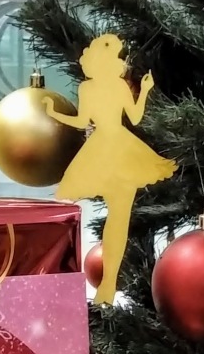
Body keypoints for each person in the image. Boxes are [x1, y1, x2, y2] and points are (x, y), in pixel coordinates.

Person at [48, 35, 176, 304]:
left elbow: (88, 121)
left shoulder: (94, 87)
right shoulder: (100, 87)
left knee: (118, 219)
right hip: (113, 148)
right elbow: (130, 118)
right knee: (118, 218)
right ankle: (107, 284)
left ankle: (108, 284)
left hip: (112, 148)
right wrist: (144, 90)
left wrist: (145, 90)